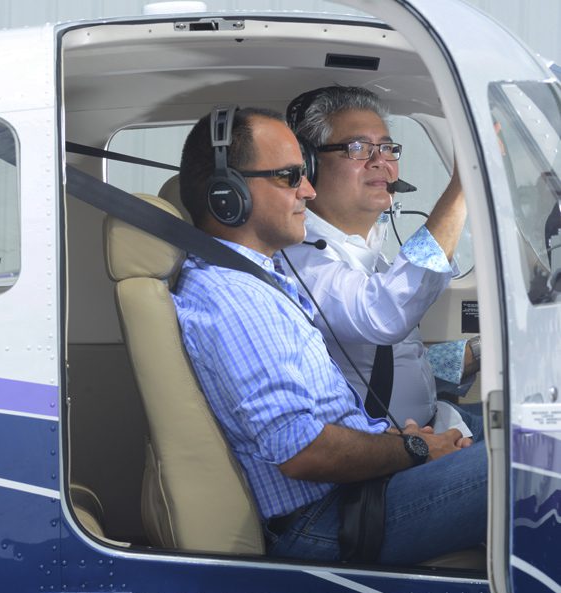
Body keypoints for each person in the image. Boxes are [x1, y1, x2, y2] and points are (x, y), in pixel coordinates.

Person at [172, 105, 486, 565]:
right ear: (227, 195)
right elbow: (301, 448)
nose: (308, 189)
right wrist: (414, 448)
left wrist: (411, 439)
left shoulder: (262, 278)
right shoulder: (238, 294)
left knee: (533, 437)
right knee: (539, 467)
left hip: (368, 474)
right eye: (289, 176)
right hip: (331, 516)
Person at [283, 86, 481, 441]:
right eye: (357, 148)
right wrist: (464, 185)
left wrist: (479, 352)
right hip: (384, 468)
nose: (380, 161)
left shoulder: (371, 254)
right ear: (308, 165)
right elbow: (383, 315)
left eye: (387, 148)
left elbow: (393, 361)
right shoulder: (300, 260)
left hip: (437, 426)